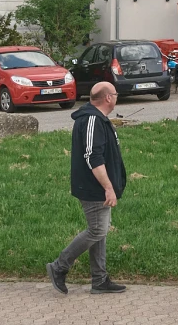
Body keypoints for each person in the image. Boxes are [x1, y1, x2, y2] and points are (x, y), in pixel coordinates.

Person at [47, 82, 127, 296]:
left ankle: (99, 280)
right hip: (93, 187)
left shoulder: (97, 118)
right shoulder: (92, 119)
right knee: (97, 230)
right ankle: (59, 266)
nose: (117, 97)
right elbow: (93, 157)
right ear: (108, 98)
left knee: (100, 230)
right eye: (115, 94)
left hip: (98, 186)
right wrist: (108, 187)